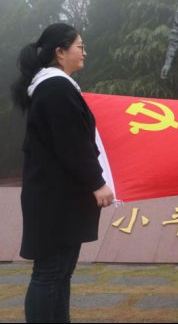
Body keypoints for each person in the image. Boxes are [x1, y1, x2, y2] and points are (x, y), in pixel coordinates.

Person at [10, 23, 115, 323]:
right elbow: (71, 143)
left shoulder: (56, 86)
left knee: (59, 273)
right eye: (80, 46)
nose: (85, 52)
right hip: (55, 200)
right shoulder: (54, 88)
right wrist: (97, 182)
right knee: (50, 273)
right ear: (60, 51)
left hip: (58, 197)